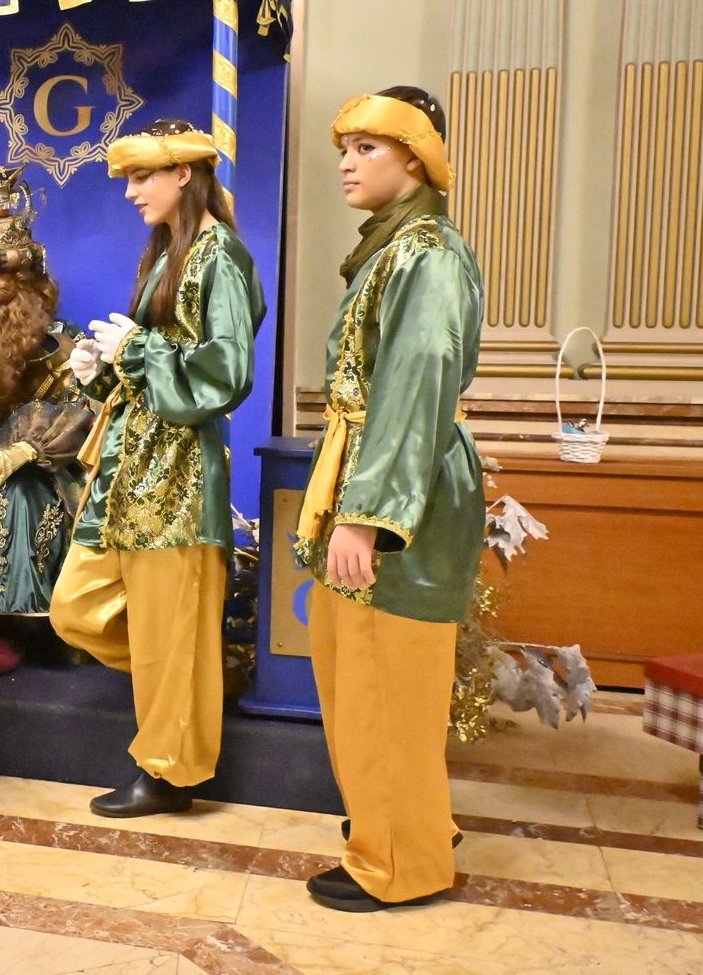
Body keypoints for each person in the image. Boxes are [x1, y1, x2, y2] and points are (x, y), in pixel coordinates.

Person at [295, 86, 484, 912]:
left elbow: (417, 381)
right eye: (346, 146)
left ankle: (400, 863)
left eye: (368, 148)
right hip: (372, 474)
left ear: (416, 156)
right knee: (361, 677)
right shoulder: (392, 246)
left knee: (386, 685)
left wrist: (370, 516)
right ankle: (404, 825)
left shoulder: (425, 253)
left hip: (400, 492)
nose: (346, 161)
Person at [50, 119, 265, 817]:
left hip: (180, 476)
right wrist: (103, 373)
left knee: (171, 629)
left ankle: (171, 771)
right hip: (132, 467)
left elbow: (226, 374)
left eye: (143, 176)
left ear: (183, 175)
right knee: (78, 610)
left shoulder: (218, 257)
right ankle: (197, 682)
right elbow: (163, 369)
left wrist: (138, 352)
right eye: (128, 179)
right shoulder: (173, 252)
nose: (132, 192)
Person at [0, 136, 93, 676]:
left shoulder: (66, 345)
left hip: (47, 469)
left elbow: (84, 410)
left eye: (2, 273)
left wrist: (28, 447)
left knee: (14, 496)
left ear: (31, 280)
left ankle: (19, 628)